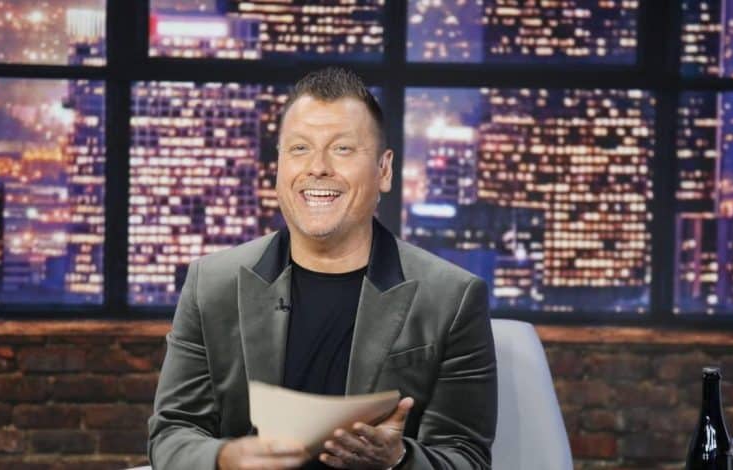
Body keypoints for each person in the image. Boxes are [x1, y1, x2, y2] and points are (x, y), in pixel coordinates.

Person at [148, 67, 497, 470]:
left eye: (343, 149)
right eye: (299, 149)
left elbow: (466, 457)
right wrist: (226, 458)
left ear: (384, 170)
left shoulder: (452, 298)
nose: (317, 167)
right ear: (277, 166)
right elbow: (172, 432)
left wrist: (397, 460)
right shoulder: (212, 283)